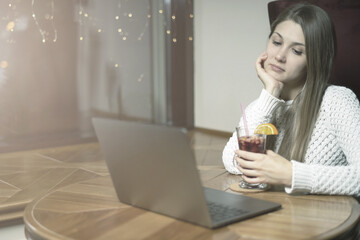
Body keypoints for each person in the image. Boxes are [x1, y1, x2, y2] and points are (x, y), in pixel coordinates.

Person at [222, 3, 360, 197]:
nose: (279, 56)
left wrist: (291, 175)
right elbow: (231, 161)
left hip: (326, 222)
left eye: (296, 51)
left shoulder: (338, 101)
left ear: (315, 59)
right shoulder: (263, 105)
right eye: (277, 42)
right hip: (276, 218)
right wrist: (270, 92)